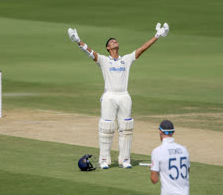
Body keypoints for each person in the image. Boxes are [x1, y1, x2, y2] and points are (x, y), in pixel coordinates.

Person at [67, 23, 169, 169]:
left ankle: (124, 160)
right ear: (108, 48)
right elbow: (89, 52)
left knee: (126, 128)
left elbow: (142, 49)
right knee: (106, 128)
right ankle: (104, 160)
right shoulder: (103, 60)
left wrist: (157, 36)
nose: (114, 41)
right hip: (109, 96)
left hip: (124, 96)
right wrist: (78, 41)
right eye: (111, 42)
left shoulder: (125, 59)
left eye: (115, 41)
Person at [151, 120, 190, 195]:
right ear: (173, 132)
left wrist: (156, 168)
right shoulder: (184, 150)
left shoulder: (157, 151)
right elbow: (187, 172)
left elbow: (154, 180)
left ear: (160, 131)